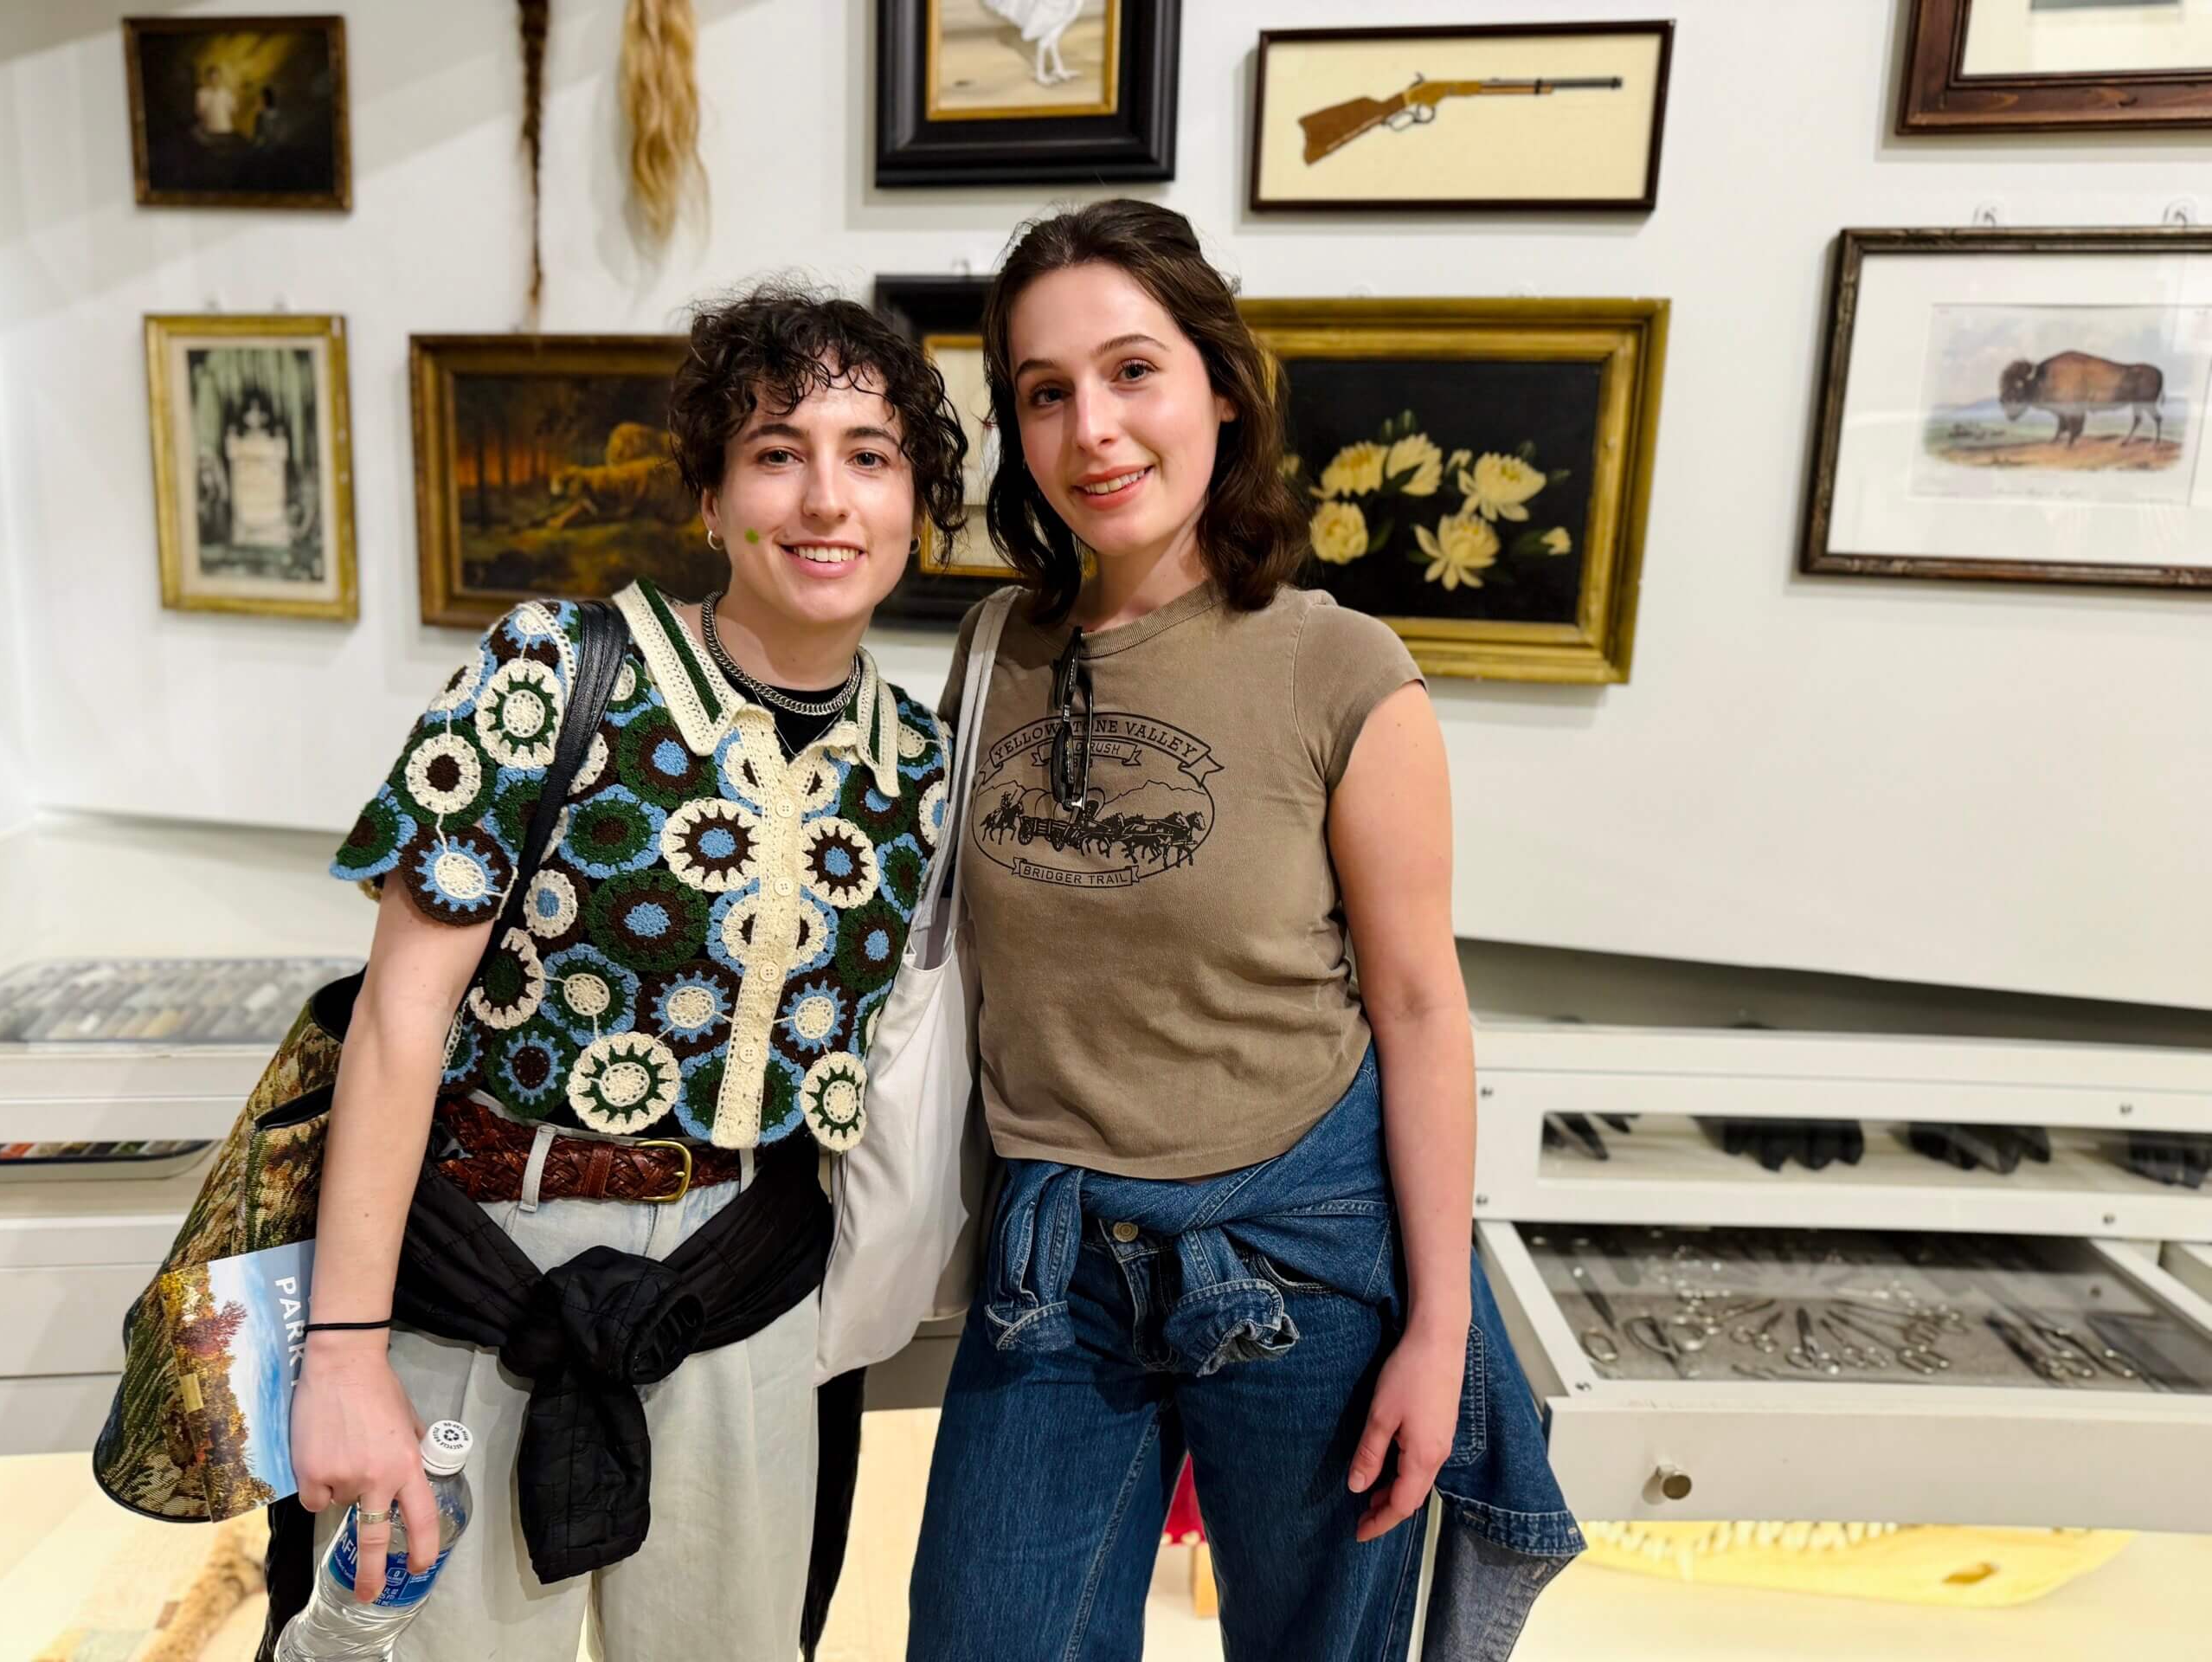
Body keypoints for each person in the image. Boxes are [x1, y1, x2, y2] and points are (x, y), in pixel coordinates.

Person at [908, 201, 1583, 1661]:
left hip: (1306, 1249)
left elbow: (1418, 1007)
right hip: (1059, 1261)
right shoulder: (993, 654)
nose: (1094, 427)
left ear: (1219, 381)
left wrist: (1439, 1329)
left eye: (1132, 371)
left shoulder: (1341, 666)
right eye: (1045, 391)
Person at [291, 282, 968, 1661]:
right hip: (484, 1271)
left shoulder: (920, 765)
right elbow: (396, 1025)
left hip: (738, 1295)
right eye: (777, 453)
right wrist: (344, 1354)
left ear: (916, 507)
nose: (825, 500)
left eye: (870, 456)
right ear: (711, 501)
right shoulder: (554, 667)